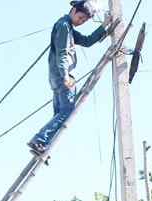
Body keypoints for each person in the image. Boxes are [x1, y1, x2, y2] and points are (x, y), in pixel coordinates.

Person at [28, 1, 112, 154]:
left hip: (55, 77)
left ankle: (42, 144)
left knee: (59, 114)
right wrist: (65, 74)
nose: (81, 22)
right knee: (67, 110)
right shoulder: (64, 26)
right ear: (73, 10)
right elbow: (62, 53)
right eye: (80, 18)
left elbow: (86, 41)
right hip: (62, 76)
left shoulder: (68, 27)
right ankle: (40, 140)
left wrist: (104, 25)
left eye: (84, 21)